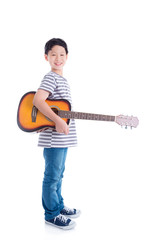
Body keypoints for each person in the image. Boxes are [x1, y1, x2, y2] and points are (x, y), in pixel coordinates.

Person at [33, 38, 80, 230]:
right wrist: (58, 120)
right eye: (53, 54)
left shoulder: (62, 79)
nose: (58, 58)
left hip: (62, 138)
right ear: (46, 57)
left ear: (67, 57)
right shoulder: (51, 77)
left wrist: (62, 121)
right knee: (52, 176)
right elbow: (38, 100)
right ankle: (51, 214)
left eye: (62, 54)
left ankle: (58, 206)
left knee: (59, 174)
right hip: (53, 139)